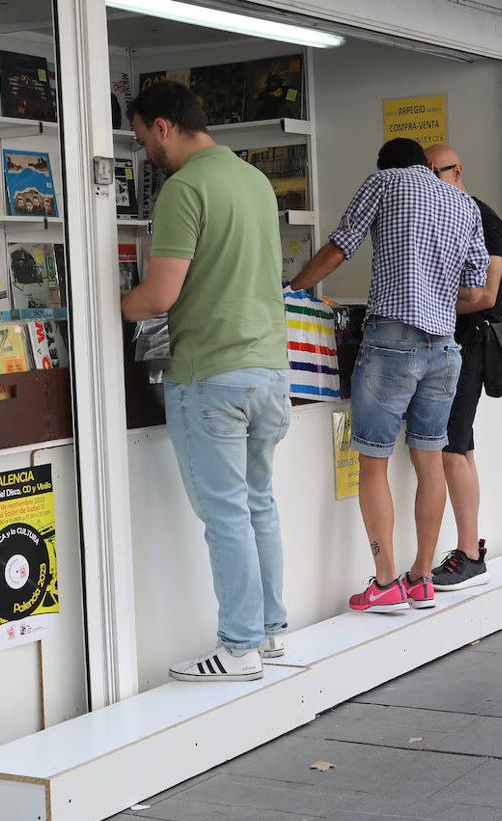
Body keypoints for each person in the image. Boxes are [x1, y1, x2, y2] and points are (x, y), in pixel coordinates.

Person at [121, 80, 291, 682]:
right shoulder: (253, 181)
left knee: (225, 515)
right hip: (270, 368)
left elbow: (161, 294)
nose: (145, 153)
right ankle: (269, 634)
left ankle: (238, 648)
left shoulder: (184, 189)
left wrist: (118, 304)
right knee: (259, 504)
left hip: (211, 374)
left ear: (163, 126)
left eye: (143, 139)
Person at [291, 137, 490, 613]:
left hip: (390, 343)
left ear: (386, 165)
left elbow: (341, 248)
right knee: (431, 460)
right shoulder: (465, 204)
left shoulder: (383, 182)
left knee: (373, 464)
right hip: (445, 349)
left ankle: (385, 581)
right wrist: (434, 298)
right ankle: (421, 577)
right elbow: (476, 283)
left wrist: (292, 288)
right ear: (426, 163)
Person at [424, 144, 502, 591]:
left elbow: (487, 295)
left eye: (434, 173)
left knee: (453, 449)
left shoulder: (483, 218)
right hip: (452, 341)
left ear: (457, 170)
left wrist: (426, 299)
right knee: (461, 449)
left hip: (470, 342)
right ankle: (469, 546)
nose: (429, 182)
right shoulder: (446, 214)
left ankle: (470, 554)